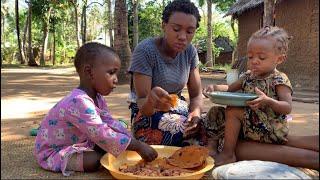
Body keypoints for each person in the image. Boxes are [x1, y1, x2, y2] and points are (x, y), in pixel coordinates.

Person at [203, 26, 319, 170]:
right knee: (216, 111)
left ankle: (228, 154)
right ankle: (212, 147)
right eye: (250, 57)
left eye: (261, 57)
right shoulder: (248, 76)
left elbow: (287, 107)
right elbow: (229, 88)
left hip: (270, 127)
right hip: (250, 123)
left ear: (280, 59)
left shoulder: (279, 80)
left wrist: (268, 101)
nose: (254, 61)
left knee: (233, 110)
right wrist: (214, 89)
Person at [34, 42, 158, 176]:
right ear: (89, 72)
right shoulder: (79, 102)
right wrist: (136, 146)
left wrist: (132, 140)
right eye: (111, 73)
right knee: (94, 160)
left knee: (111, 148)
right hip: (54, 152)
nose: (116, 79)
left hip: (81, 143)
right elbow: (101, 132)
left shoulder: (97, 98)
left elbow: (109, 122)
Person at [128, 0, 207, 147]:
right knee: (178, 129)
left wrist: (195, 114)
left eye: (190, 31)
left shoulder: (190, 52)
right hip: (147, 113)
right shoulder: (145, 51)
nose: (183, 37)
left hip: (178, 108)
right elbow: (142, 103)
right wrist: (152, 101)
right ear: (163, 25)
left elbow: (196, 95)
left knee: (215, 125)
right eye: (176, 29)